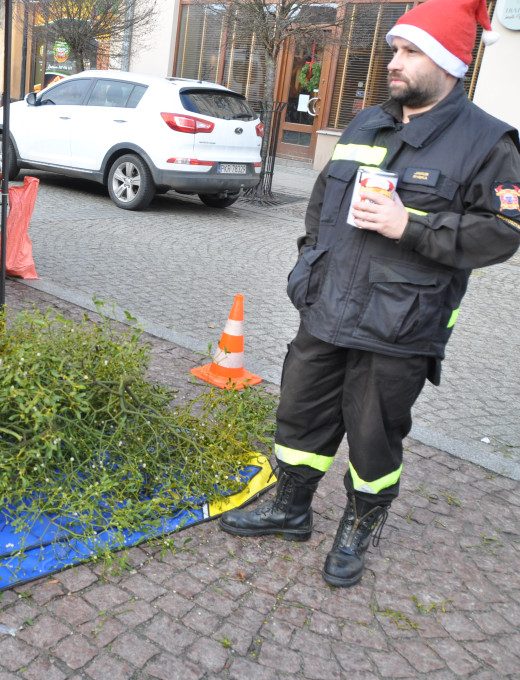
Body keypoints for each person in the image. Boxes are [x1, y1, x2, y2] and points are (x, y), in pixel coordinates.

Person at [220, 0, 520, 588]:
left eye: (410, 52)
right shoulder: (365, 123)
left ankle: (357, 528)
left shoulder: (490, 143)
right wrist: (309, 267)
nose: (395, 62)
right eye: (394, 50)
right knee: (299, 418)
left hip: (400, 326)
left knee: (375, 438)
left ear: (449, 63)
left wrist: (410, 225)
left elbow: (504, 231)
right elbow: (320, 207)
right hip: (327, 308)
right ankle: (291, 509)